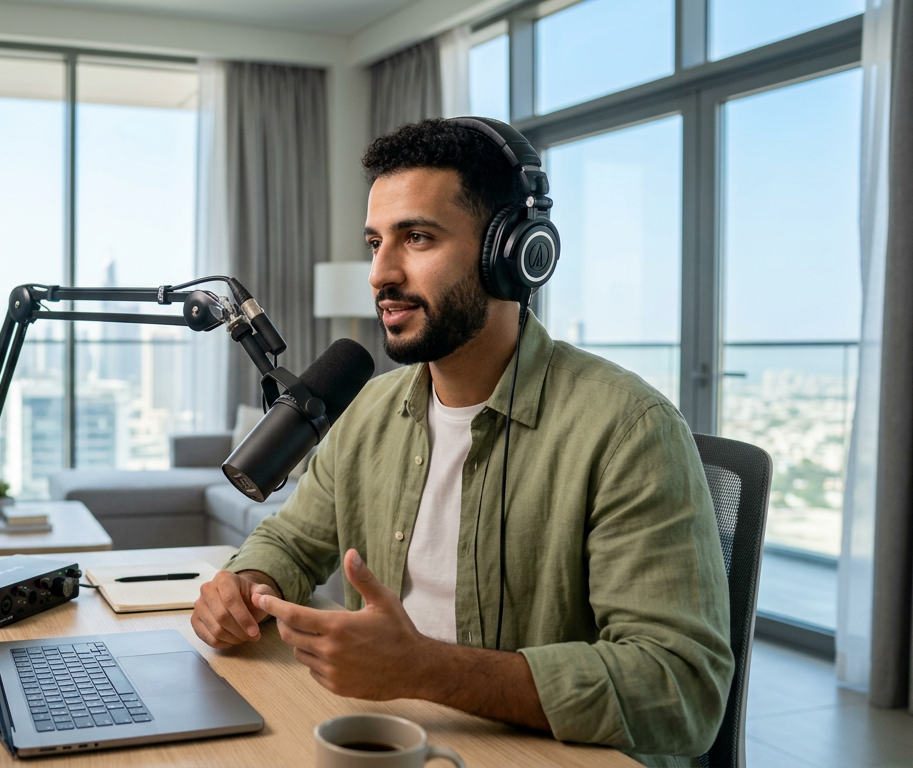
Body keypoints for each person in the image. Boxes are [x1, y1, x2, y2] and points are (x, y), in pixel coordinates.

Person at [191, 118, 733, 767]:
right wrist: (245, 582)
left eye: (417, 237)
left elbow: (680, 691)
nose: (380, 275)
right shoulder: (367, 411)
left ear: (512, 253)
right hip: (390, 737)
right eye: (374, 243)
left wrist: (428, 670)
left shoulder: (628, 429)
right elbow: (290, 540)